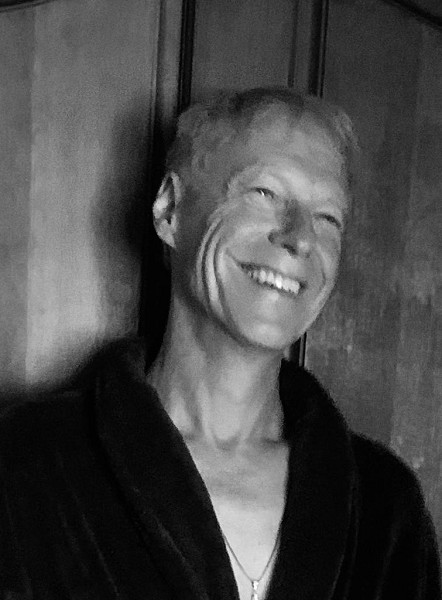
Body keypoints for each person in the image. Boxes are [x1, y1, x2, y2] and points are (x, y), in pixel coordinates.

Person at [0, 88, 440, 599]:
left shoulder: (386, 507)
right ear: (170, 209)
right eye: (264, 193)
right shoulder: (25, 467)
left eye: (328, 218)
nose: (300, 238)